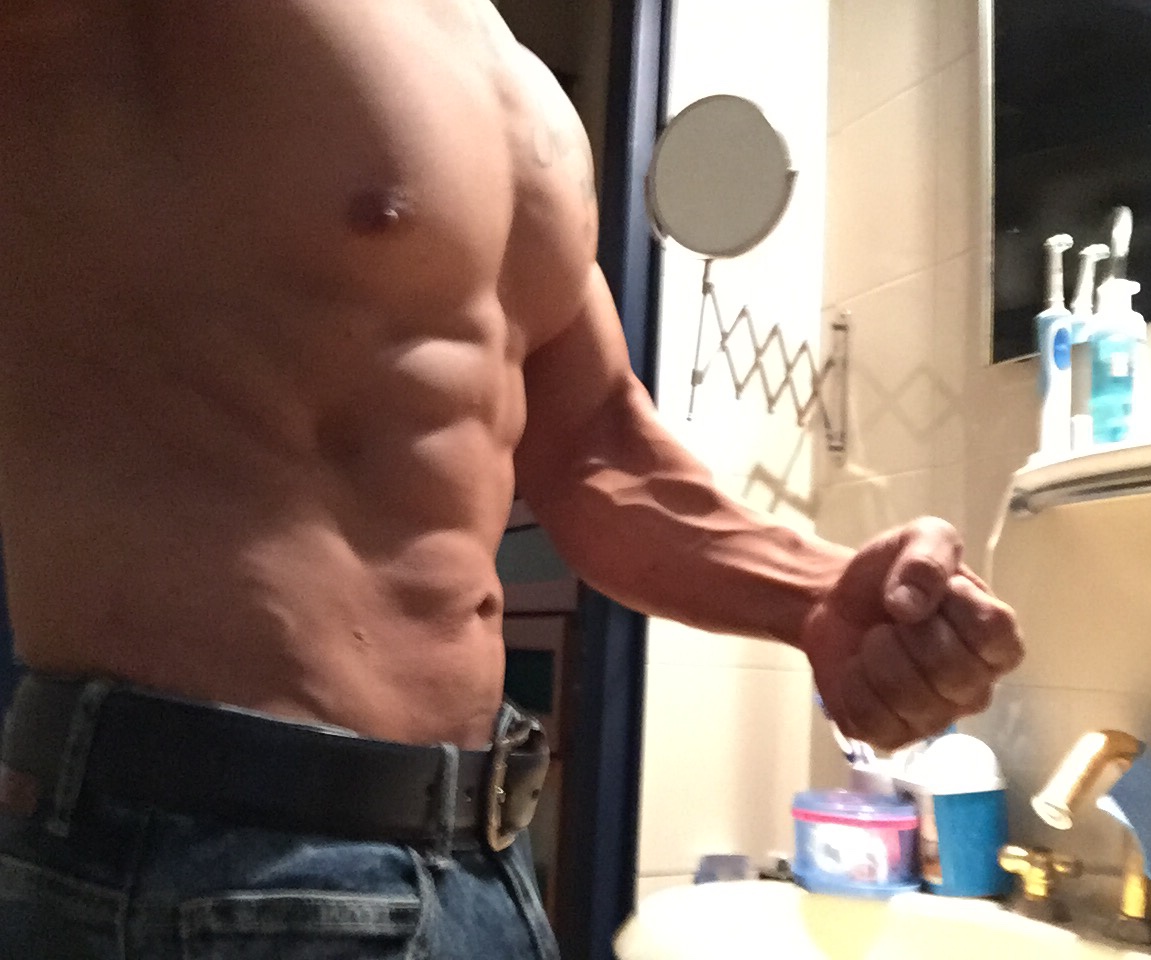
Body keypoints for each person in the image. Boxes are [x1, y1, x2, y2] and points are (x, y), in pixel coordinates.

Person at [0, 1, 1024, 958]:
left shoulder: (517, 84)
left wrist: (814, 595)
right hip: (205, 853)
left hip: (482, 865)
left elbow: (595, 445)